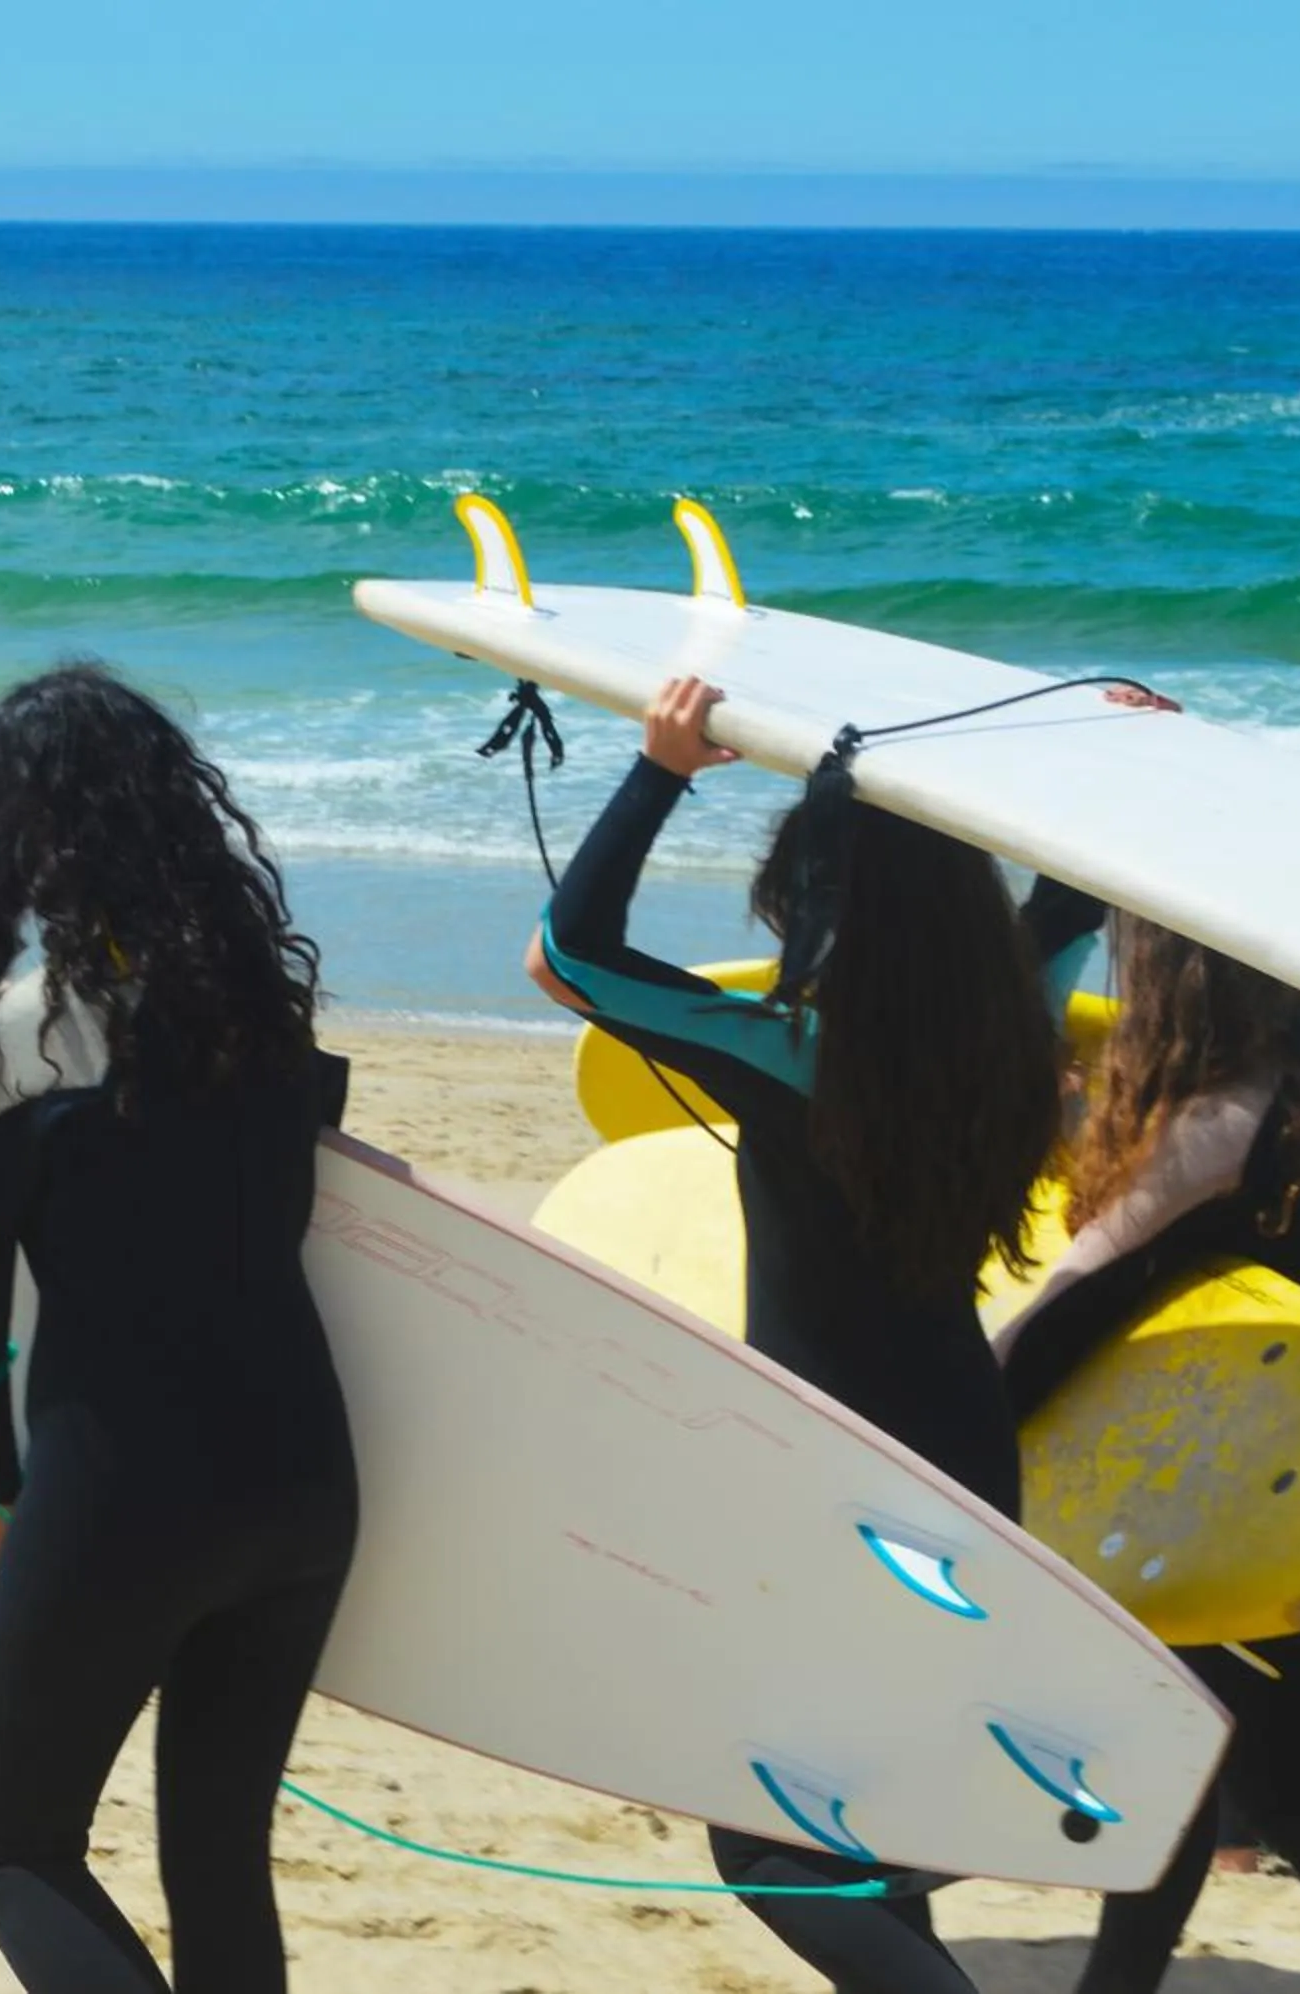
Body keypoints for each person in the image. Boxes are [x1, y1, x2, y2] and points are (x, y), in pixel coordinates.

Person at [526, 676, 1064, 1994]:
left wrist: (661, 769)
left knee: (768, 1837)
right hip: (969, 1460)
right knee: (866, 1799)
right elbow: (1070, 903)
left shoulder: (792, 1054)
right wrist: (1074, 772)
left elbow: (567, 957)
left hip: (834, 1484)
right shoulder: (1014, 1039)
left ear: (824, 915)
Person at [0, 662, 359, 1994]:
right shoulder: (268, 1013)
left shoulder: (22, 1039)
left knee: (17, 1844)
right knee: (215, 1853)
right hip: (307, 1483)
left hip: (124, 1494)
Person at [993, 899, 1300, 1994]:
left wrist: (946, 1423)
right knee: (1196, 1760)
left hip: (1253, 1507)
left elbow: (1063, 1312)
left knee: (1294, 1793)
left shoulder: (1225, 1110)